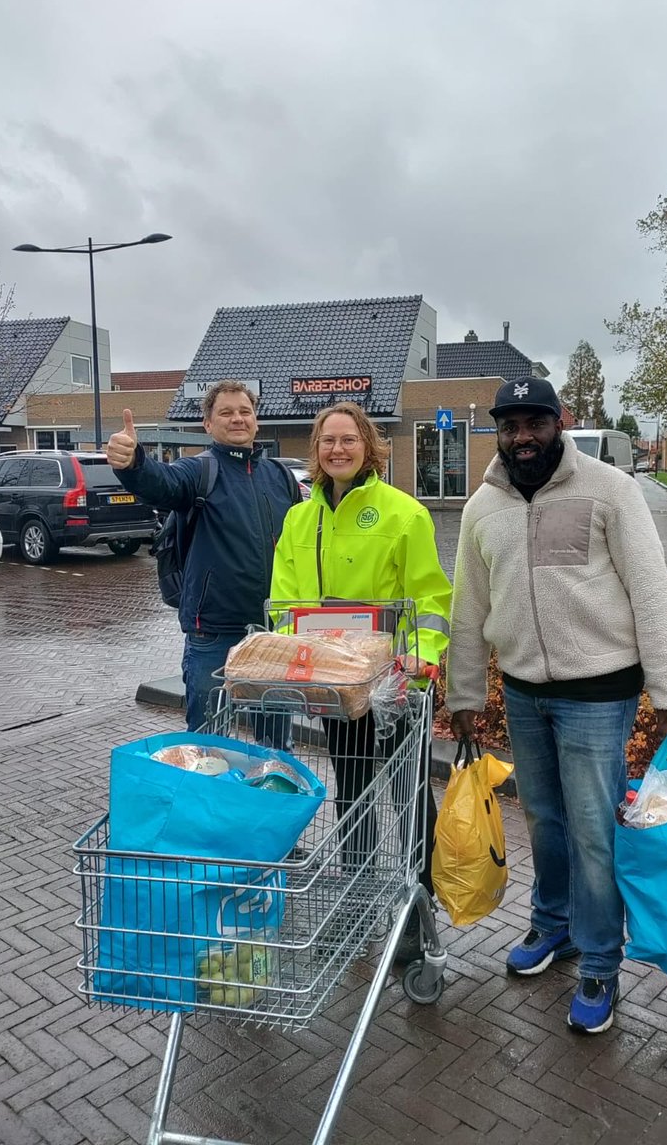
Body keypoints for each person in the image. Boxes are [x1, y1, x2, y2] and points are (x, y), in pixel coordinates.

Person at [445, 376, 667, 1034]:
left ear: (558, 421)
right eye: (510, 425)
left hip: (596, 693)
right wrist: (465, 692)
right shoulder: (482, 508)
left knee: (591, 829)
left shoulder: (610, 491)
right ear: (497, 431)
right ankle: (552, 926)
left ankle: (598, 964)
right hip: (525, 692)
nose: (522, 437)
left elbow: (649, 591)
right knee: (545, 820)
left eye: (534, 422)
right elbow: (467, 608)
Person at [270, 401, 452, 961]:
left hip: (394, 686)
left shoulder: (404, 514)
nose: (338, 450)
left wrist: (423, 658)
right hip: (338, 689)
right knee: (352, 797)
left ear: (368, 445)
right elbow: (282, 598)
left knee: (408, 797)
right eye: (328, 441)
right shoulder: (300, 519)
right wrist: (296, 650)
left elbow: (430, 596)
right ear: (316, 450)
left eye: (349, 440)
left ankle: (420, 910)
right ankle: (356, 900)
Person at [106, 379, 300, 730]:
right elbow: (162, 483)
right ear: (208, 424)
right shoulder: (199, 470)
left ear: (257, 419)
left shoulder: (280, 476)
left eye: (245, 411)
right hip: (213, 631)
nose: (237, 419)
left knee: (275, 742)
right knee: (209, 739)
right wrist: (134, 464)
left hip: (274, 631)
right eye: (226, 412)